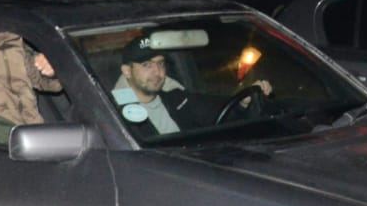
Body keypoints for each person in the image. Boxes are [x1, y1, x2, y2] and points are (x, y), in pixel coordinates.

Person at [114, 37, 272, 135]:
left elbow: (213, 111)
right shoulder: (114, 114)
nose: (158, 72)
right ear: (127, 71)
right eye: (146, 65)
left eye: (161, 63)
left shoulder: (174, 96)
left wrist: (243, 103)